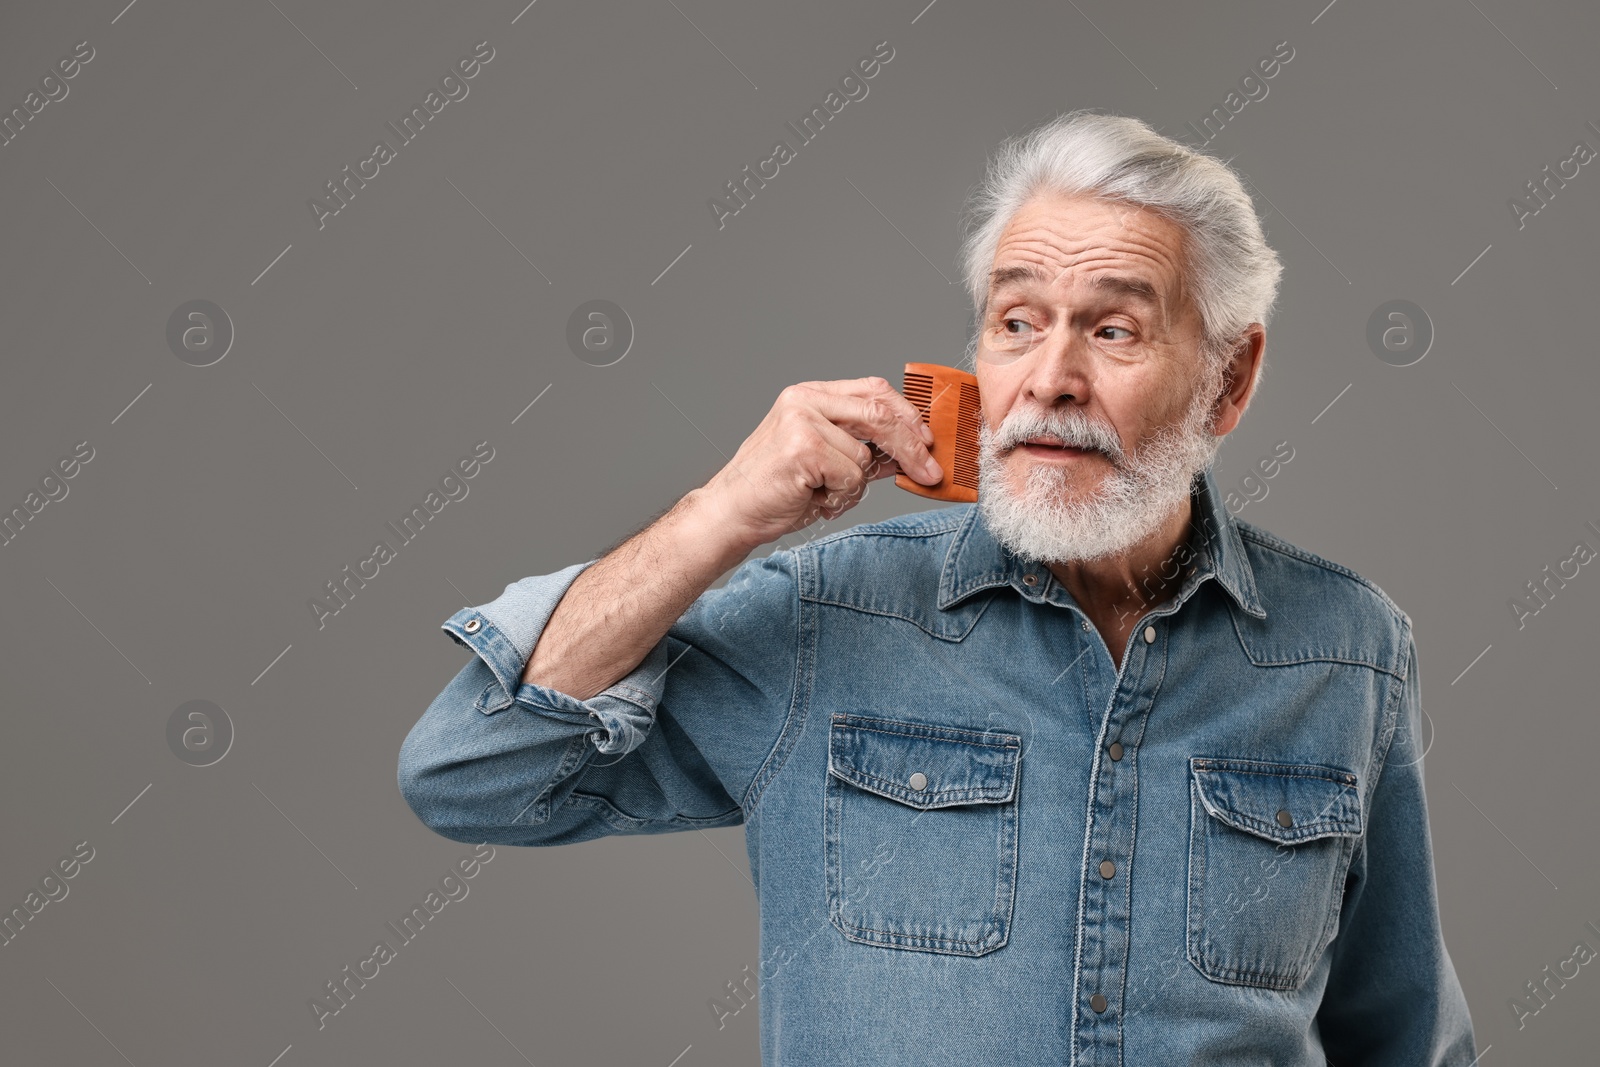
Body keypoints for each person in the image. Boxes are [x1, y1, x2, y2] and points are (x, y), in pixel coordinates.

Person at [398, 109, 1478, 1065]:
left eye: (1111, 329)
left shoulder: (1346, 649)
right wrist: (723, 510)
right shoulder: (830, 616)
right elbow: (471, 771)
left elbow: (1404, 1036)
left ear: (1228, 378)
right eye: (1015, 322)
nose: (1050, 378)